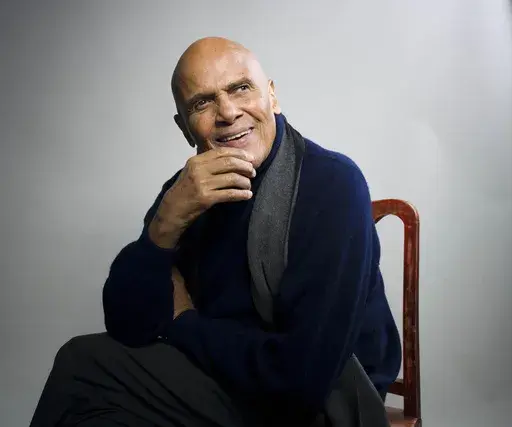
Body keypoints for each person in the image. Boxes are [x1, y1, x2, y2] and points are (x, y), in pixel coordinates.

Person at [30, 37, 401, 427]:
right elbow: (128, 325)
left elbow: (301, 378)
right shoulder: (188, 190)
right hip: (229, 375)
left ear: (272, 97)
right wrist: (165, 223)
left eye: (240, 88)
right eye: (202, 103)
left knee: (84, 369)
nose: (227, 112)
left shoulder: (332, 185)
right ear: (185, 128)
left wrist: (182, 323)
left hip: (324, 400)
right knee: (97, 406)